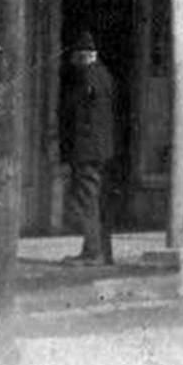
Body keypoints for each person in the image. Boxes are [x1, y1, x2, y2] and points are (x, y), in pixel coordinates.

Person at [58, 30, 116, 265]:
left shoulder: (87, 79)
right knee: (97, 201)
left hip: (87, 151)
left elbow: (82, 118)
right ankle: (100, 251)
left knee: (87, 200)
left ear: (82, 56)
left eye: (73, 56)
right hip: (101, 150)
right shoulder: (104, 75)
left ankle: (93, 252)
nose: (71, 61)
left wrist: (72, 151)